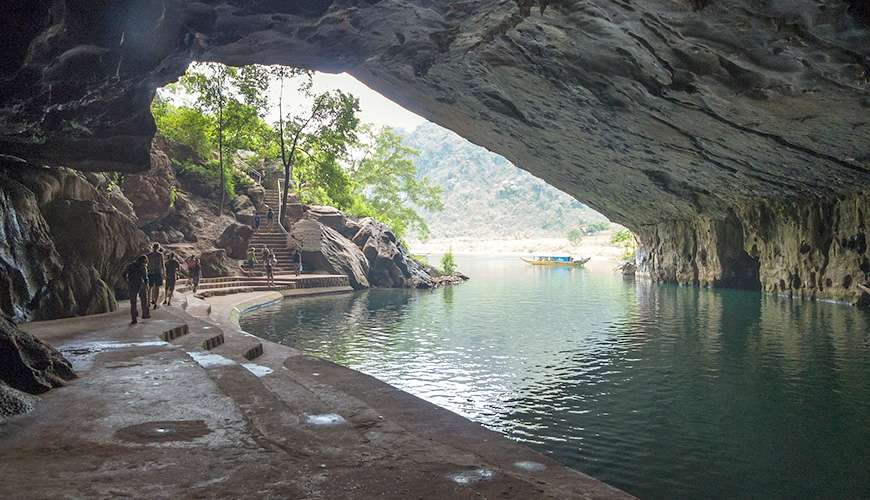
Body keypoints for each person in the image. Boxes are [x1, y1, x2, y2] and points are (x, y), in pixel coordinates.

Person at [123, 255, 150, 324]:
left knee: (133, 303)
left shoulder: (130, 265)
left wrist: (127, 281)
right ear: (144, 261)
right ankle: (144, 314)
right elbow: (145, 278)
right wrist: (147, 286)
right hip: (141, 285)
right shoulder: (143, 267)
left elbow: (124, 274)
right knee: (144, 300)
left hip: (132, 284)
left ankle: (134, 318)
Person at [146, 243, 165, 309]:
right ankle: (155, 303)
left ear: (152, 247)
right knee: (157, 287)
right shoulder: (160, 255)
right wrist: (164, 273)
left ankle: (148, 302)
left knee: (149, 287)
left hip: (150, 272)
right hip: (158, 272)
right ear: (158, 248)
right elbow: (162, 265)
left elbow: (147, 264)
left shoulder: (148, 255)